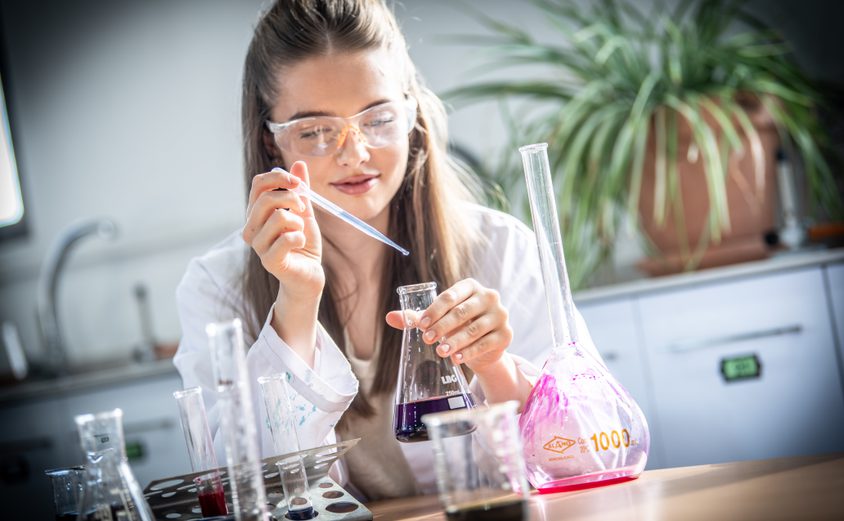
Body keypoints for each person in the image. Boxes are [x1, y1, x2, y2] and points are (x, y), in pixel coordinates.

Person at [173, 0, 601, 502]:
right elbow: (242, 497)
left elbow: (589, 456)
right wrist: (297, 300)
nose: (354, 154)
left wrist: (494, 367)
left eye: (377, 119)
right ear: (272, 145)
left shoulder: (501, 250)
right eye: (314, 131)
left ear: (412, 112)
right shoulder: (217, 289)